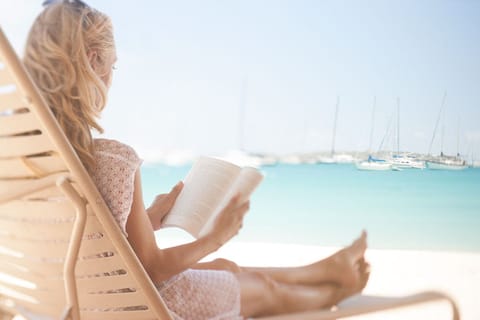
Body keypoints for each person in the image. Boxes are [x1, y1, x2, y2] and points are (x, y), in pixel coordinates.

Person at [23, 1, 370, 319]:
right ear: (91, 60)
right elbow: (154, 268)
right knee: (264, 290)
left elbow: (86, 243)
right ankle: (337, 290)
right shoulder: (112, 158)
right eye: (111, 66)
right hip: (137, 304)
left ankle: (329, 268)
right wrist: (216, 236)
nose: (111, 79)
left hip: (76, 298)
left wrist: (147, 220)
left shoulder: (25, 158)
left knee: (225, 267)